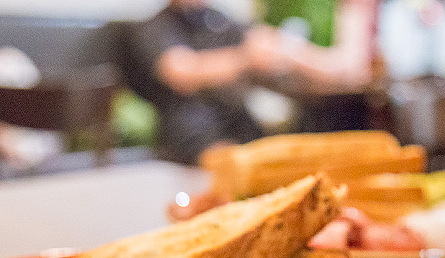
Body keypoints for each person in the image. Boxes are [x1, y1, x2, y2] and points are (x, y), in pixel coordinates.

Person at [121, 0, 379, 165]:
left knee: (295, 158)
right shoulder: (155, 26)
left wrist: (297, 55)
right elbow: (181, 71)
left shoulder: (219, 20)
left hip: (242, 124)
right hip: (193, 131)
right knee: (241, 169)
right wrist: (244, 58)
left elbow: (265, 43)